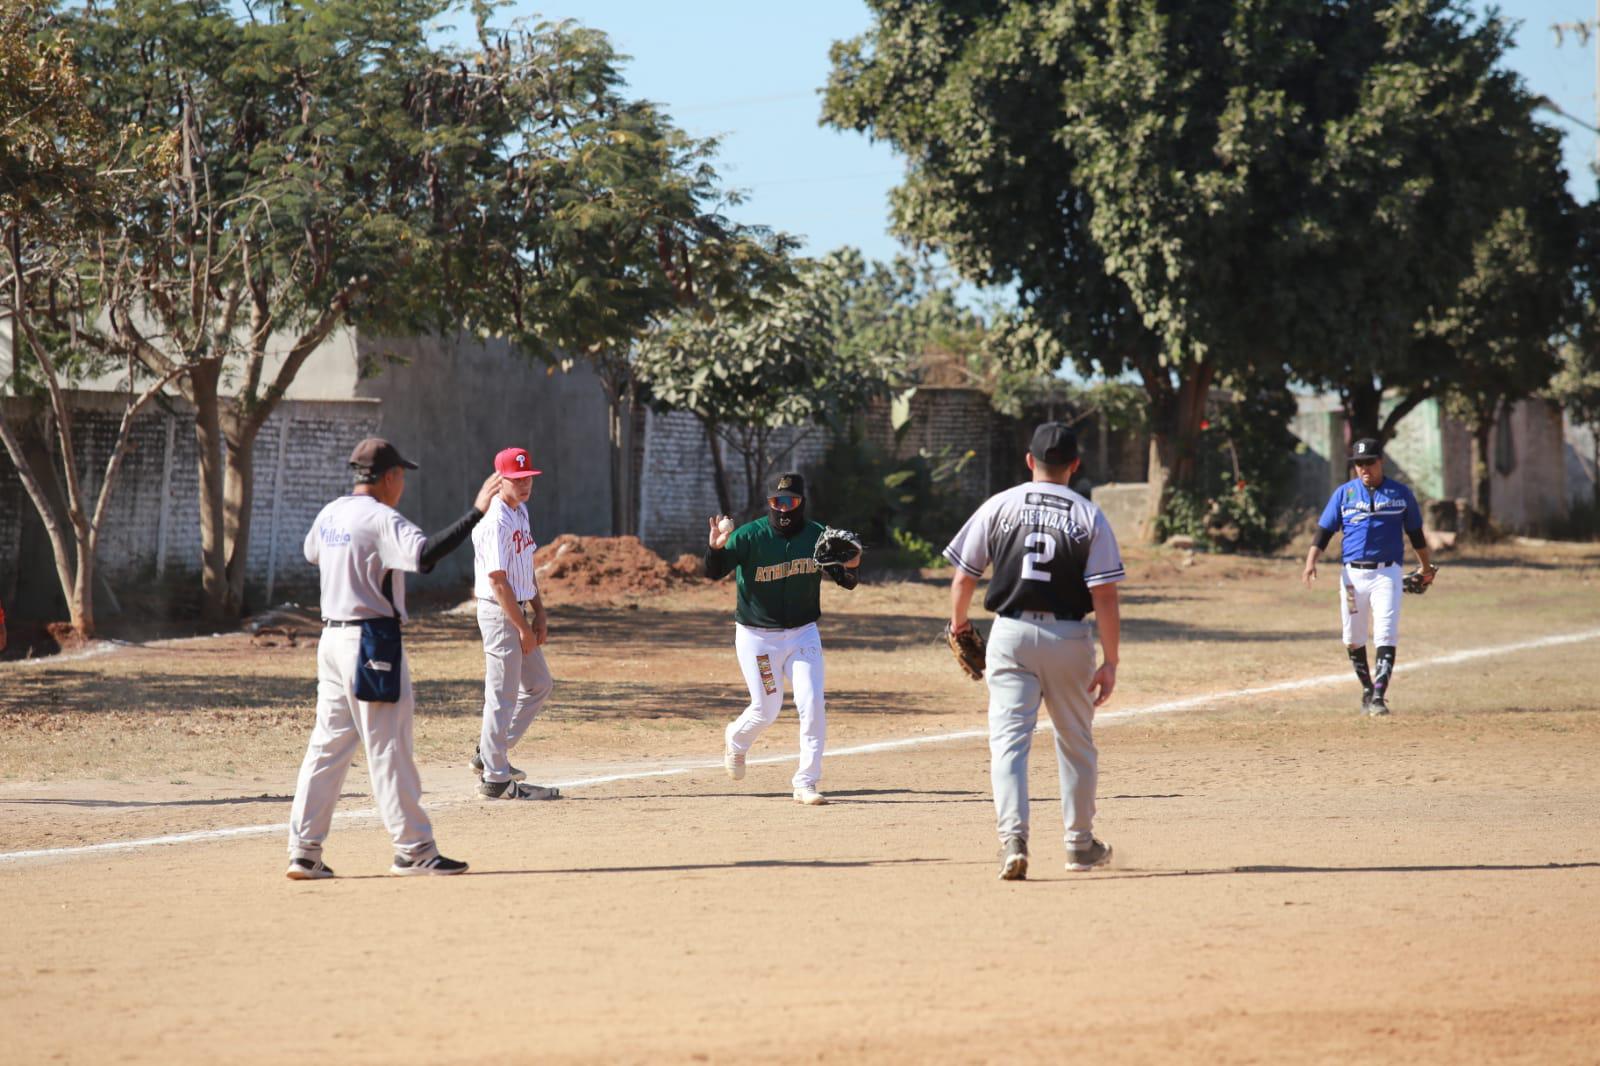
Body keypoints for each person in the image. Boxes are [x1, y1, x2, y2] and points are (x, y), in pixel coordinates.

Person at [285, 438, 499, 880]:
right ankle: (415, 849)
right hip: (371, 642)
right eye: (400, 474)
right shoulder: (383, 518)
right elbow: (426, 555)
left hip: (330, 641)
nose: (402, 482)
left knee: (326, 748)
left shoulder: (331, 513)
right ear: (388, 477)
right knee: (389, 747)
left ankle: (304, 851)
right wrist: (476, 511)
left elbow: (311, 554)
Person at [945, 423, 1124, 881]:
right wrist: (1111, 660)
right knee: (1076, 745)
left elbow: (965, 576)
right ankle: (1080, 846)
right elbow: (1104, 594)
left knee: (1008, 744)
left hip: (1010, 634)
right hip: (1069, 639)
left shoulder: (999, 504)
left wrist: (960, 623)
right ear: (1075, 465)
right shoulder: (1089, 515)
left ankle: (1013, 841)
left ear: (1029, 462)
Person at [706, 472, 861, 806]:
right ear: (768, 503)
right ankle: (736, 740)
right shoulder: (750, 536)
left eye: (790, 501)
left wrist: (853, 563)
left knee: (813, 704)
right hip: (758, 638)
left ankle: (805, 782)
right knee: (767, 708)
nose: (783, 507)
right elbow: (713, 572)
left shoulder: (819, 536)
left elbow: (846, 580)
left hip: (803, 633)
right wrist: (715, 549)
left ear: (802, 502)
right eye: (777, 501)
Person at [1303, 437, 1436, 716]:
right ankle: (1366, 686)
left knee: (1386, 632)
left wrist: (1425, 568)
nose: (1364, 468)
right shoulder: (1345, 494)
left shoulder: (1400, 494)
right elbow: (1325, 531)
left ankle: (1378, 696)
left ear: (1380, 462)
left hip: (1387, 573)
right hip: (1351, 578)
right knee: (1353, 637)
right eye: (1358, 464)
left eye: (1369, 462)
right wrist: (1311, 561)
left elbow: (1415, 534)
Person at [468, 446, 560, 801]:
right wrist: (522, 627)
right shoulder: (495, 522)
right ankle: (495, 778)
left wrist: (540, 611)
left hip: (519, 607)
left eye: (528, 478)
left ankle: (489, 753)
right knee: (502, 694)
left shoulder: (520, 512)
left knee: (538, 684)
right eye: (516, 479)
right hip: (499, 611)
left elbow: (525, 568)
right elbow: (498, 582)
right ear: (500, 481)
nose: (524, 485)